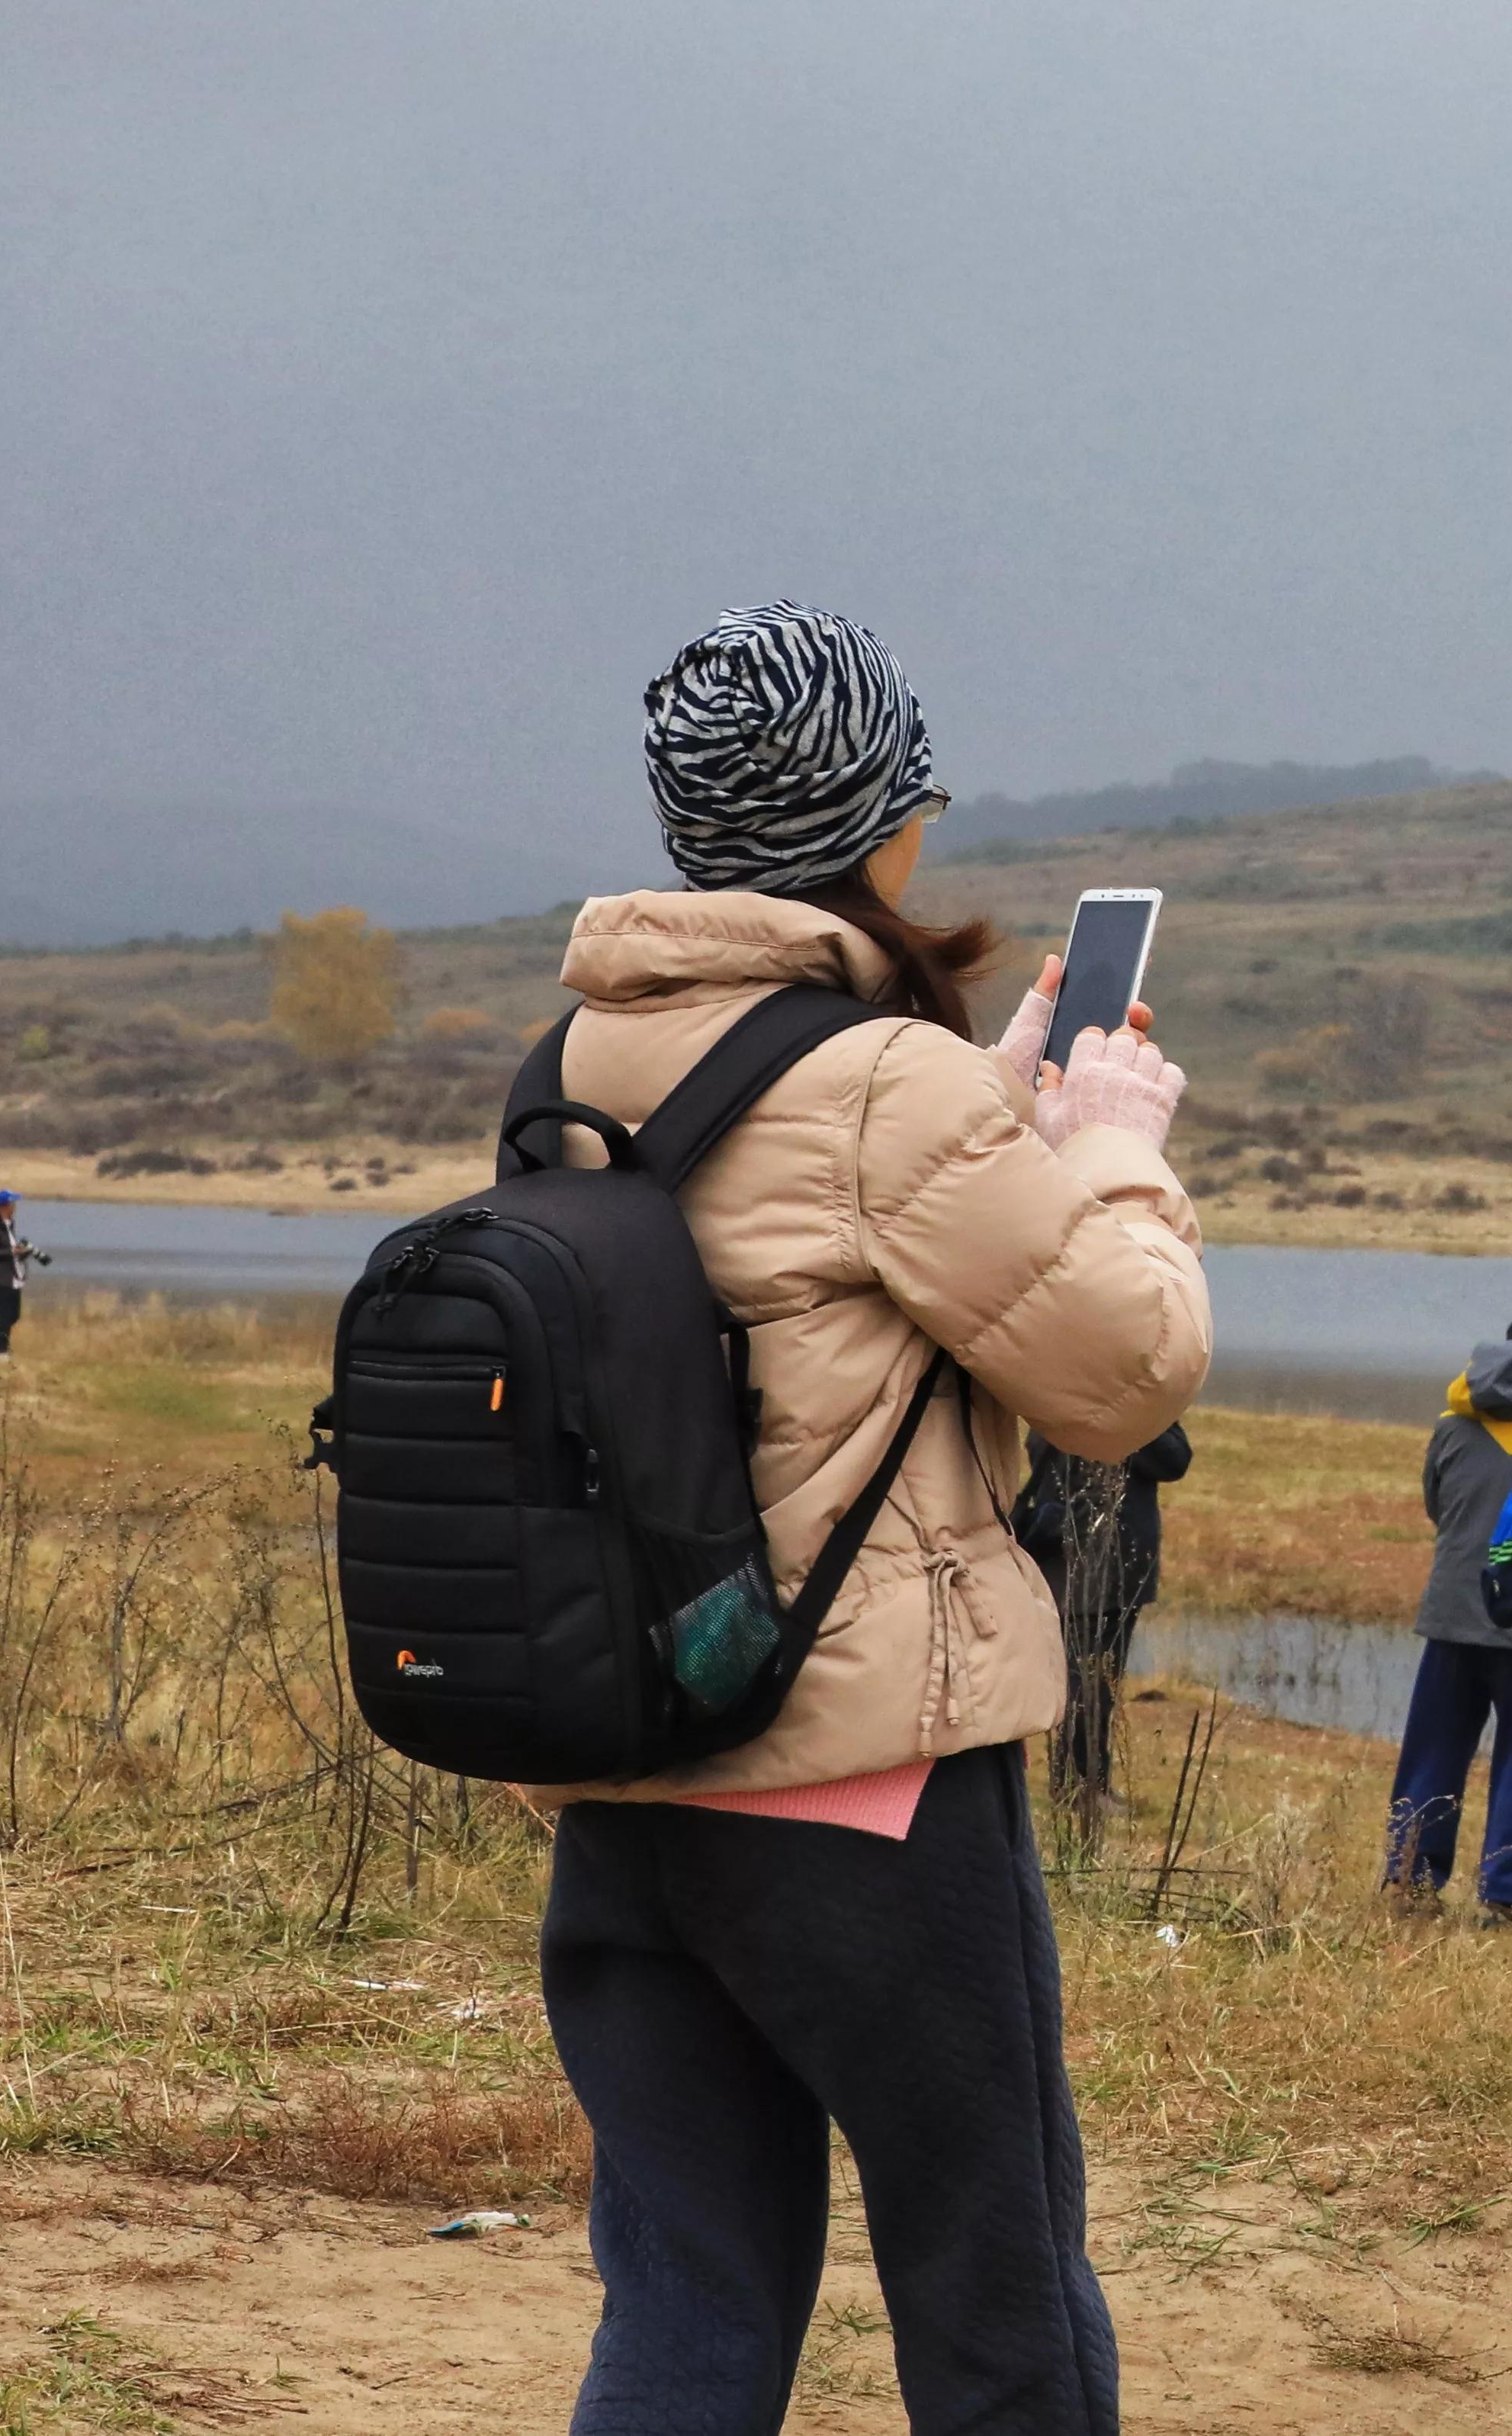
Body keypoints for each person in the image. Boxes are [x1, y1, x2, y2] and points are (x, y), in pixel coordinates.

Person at [531, 602, 1210, 2436]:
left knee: (684, 2313)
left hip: (627, 1776)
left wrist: (991, 1123)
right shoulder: (883, 1082)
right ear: (871, 819)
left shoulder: (574, 1062)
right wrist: (1111, 1144)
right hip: (865, 1801)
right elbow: (1129, 1368)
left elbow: (779, 1258)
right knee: (996, 2307)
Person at [1383, 1312, 1512, 1915]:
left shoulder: (1453, 1423)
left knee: (1433, 1750)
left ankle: (1411, 1879)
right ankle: (1505, 1897)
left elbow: (1439, 1506)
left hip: (1452, 1614)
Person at [1015, 1419, 1195, 1808]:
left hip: (1071, 1551)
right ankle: (1083, 1789)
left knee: (1087, 1676)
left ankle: (1081, 1784)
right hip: (1102, 1558)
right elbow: (1173, 1459)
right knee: (1091, 1678)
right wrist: (1141, 1408)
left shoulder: (1049, 1388)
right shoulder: (1118, 1397)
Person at [0, 1191, 46, 1356]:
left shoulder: (9, 1224)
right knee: (5, 1316)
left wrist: (22, 1252)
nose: (15, 1207)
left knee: (14, 1316)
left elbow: (10, 1250)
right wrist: (12, 1252)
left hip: (12, 1276)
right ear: (2, 1207)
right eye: (12, 1204)